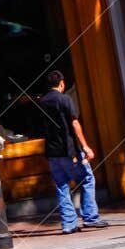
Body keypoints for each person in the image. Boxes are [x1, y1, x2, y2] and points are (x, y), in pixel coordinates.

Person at [37, 69, 107, 234]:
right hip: (69, 151)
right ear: (62, 83)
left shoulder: (42, 102)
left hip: (52, 152)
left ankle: (68, 224)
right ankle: (90, 217)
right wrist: (85, 146)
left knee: (62, 186)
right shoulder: (65, 99)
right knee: (87, 179)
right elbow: (75, 124)